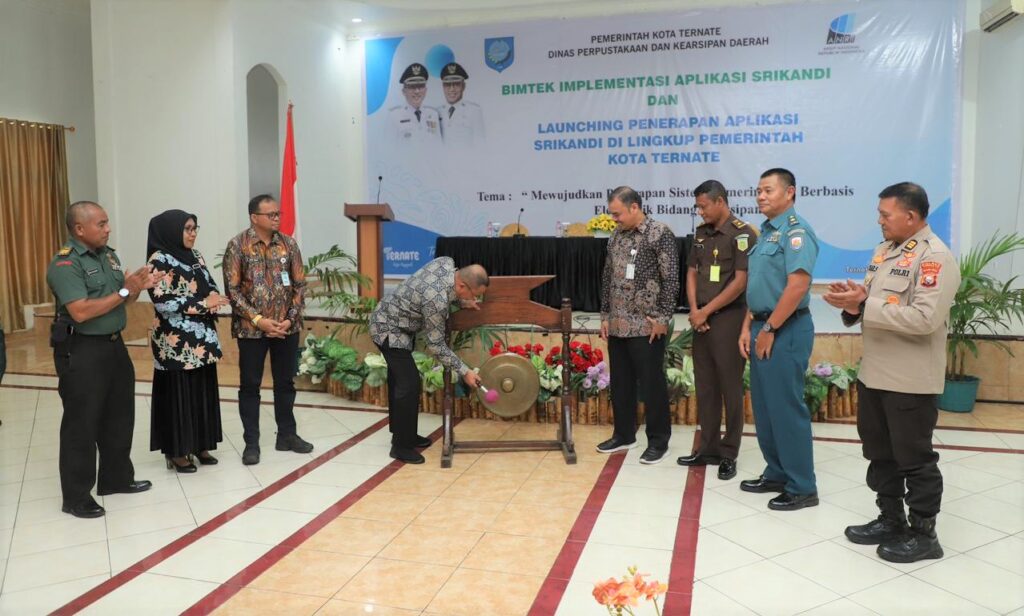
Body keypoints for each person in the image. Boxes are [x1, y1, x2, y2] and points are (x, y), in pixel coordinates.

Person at [824, 182, 958, 563]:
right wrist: (853, 304)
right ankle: (891, 519)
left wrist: (866, 303)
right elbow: (874, 304)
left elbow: (924, 319)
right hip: (875, 374)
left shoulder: (935, 258)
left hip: (910, 380)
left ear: (911, 216)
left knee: (914, 458)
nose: (879, 221)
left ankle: (924, 534)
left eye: (886, 214)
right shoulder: (884, 251)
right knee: (880, 453)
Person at [46, 201, 157, 518]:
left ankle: (116, 479)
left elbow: (122, 301)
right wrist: (123, 292)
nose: (108, 229)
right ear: (80, 229)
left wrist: (136, 288)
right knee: (82, 423)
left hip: (113, 345)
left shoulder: (109, 256)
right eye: (102, 224)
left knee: (119, 415)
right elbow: (80, 311)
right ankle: (76, 496)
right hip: (82, 348)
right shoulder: (65, 264)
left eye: (107, 222)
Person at [738, 168, 819, 511]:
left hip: (785, 329)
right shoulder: (767, 233)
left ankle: (802, 486)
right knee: (766, 408)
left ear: (790, 193)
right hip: (762, 325)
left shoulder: (796, 232)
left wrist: (770, 329)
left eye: (768, 190)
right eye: (758, 190)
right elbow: (759, 286)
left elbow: (797, 286)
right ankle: (776, 472)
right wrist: (749, 326)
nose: (761, 196)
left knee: (785, 408)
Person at [369, 257, 488, 464]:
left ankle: (406, 435)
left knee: (401, 382)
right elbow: (436, 345)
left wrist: (463, 301)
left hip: (397, 323)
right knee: (408, 384)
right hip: (387, 328)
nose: (475, 299)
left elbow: (445, 290)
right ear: (462, 285)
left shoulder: (446, 263)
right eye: (474, 295)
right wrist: (465, 371)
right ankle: (400, 446)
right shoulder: (436, 301)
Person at [223, 194, 312, 465]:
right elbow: (233, 291)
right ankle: (251, 443)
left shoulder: (288, 244)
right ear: (254, 217)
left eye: (277, 214)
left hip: (286, 328)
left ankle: (287, 435)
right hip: (252, 330)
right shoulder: (237, 246)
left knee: (285, 382)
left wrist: (289, 319)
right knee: (250, 385)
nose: (276, 218)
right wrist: (258, 319)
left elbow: (299, 285)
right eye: (270, 214)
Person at [677, 180, 756, 480]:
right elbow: (692, 272)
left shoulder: (742, 234)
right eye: (697, 207)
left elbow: (741, 281)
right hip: (701, 318)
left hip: (729, 318)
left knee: (730, 387)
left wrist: (706, 311)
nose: (700, 212)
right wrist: (694, 309)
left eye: (704, 206)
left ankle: (729, 452)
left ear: (720, 201)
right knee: (706, 386)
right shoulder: (701, 233)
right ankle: (707, 448)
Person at [597, 186, 679, 464]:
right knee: (621, 383)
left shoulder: (659, 233)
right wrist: (605, 315)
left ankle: (658, 441)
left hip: (647, 325)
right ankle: (624, 434)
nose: (614, 219)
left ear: (634, 207)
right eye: (612, 214)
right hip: (618, 324)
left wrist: (663, 318)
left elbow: (671, 280)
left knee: (652, 384)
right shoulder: (615, 236)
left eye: (617, 213)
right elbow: (607, 277)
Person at [146, 210, 229, 473]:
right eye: (187, 229)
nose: (193, 234)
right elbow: (162, 301)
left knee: (201, 392)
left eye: (195, 228)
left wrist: (214, 297)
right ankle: (177, 451)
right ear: (171, 231)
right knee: (179, 395)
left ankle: (201, 444)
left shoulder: (195, 255)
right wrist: (204, 303)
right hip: (175, 343)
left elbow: (210, 284)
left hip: (201, 339)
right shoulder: (159, 259)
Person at [387, 62, 442, 145]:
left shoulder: (433, 114)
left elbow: (439, 147)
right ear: (404, 91)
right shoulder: (394, 116)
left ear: (425, 90)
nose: (417, 91)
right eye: (412, 86)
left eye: (420, 86)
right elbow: (387, 148)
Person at [438, 62, 485, 147]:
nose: (452, 89)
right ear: (443, 87)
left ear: (463, 86)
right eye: (447, 84)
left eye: (456, 84)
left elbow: (480, 144)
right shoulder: (437, 112)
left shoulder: (474, 111)